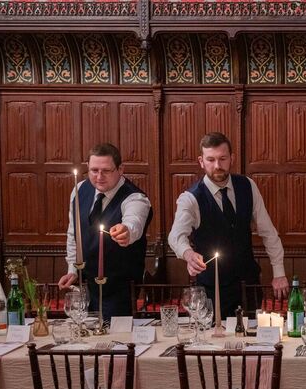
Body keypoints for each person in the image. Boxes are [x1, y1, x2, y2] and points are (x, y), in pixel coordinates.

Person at [168, 132, 288, 322]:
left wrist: (279, 272)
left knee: (252, 336)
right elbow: (175, 236)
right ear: (201, 161)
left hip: (248, 285)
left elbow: (268, 232)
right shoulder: (190, 198)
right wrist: (188, 254)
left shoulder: (248, 186)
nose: (217, 165)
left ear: (232, 158)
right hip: (212, 290)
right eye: (211, 159)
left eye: (223, 158)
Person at [58, 143, 152, 323]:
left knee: (117, 338)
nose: (99, 177)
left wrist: (126, 231)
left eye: (106, 171)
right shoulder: (79, 190)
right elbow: (73, 234)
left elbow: (134, 222)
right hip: (85, 288)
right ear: (87, 167)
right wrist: (73, 269)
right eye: (94, 170)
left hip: (120, 291)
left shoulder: (135, 198)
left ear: (120, 169)